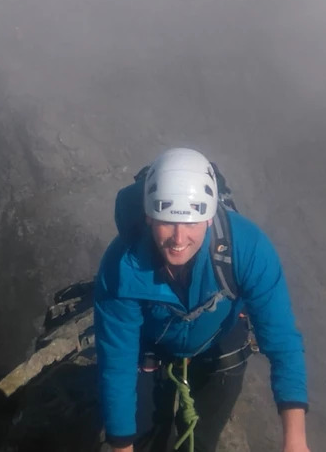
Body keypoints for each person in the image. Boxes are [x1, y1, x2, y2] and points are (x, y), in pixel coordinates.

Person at [95, 147, 310, 452]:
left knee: (200, 443)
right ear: (148, 217)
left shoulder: (247, 249)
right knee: (144, 442)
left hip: (218, 346)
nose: (179, 239)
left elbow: (281, 340)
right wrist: (121, 445)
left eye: (192, 223)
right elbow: (117, 360)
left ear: (210, 219)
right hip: (149, 349)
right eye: (167, 222)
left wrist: (295, 440)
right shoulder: (122, 265)